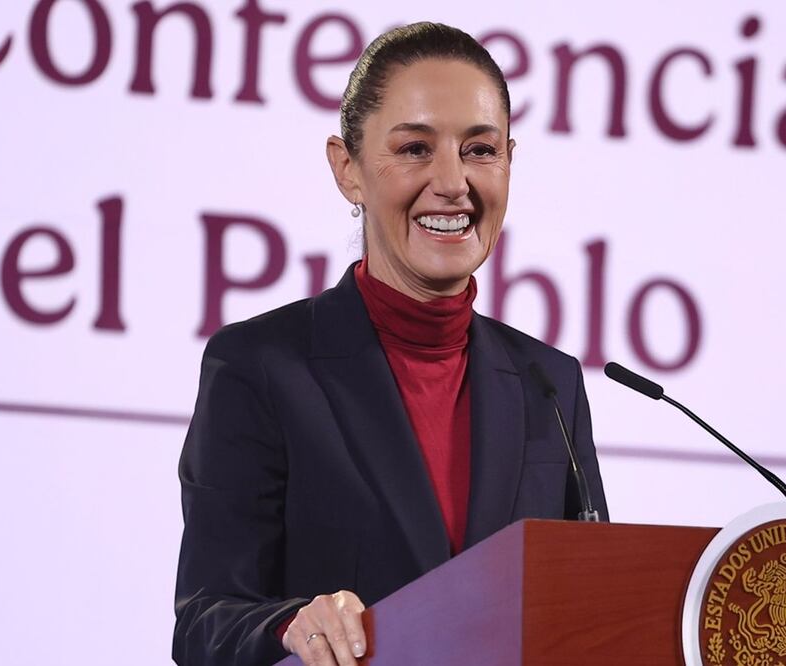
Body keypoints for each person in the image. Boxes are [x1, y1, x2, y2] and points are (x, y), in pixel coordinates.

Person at [173, 22, 608, 666]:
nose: (453, 182)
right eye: (413, 149)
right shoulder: (261, 367)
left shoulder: (550, 383)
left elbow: (593, 611)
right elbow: (205, 622)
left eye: (480, 150)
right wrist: (290, 625)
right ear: (347, 169)